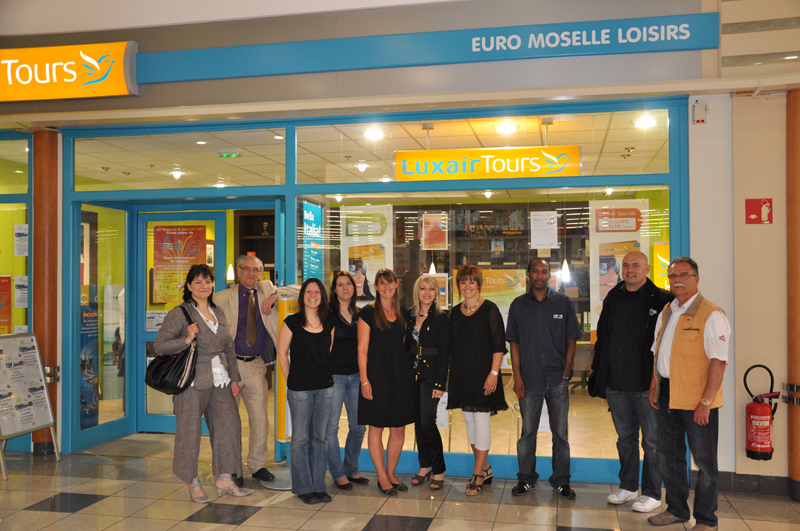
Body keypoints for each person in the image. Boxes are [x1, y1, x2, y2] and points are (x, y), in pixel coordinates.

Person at [154, 264, 253, 503]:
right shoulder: (180, 313)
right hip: (192, 381)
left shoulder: (218, 311)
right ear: (189, 286)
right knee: (189, 431)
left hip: (221, 379)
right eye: (198, 282)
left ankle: (226, 477)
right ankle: (192, 480)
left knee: (229, 426)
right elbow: (160, 346)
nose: (204, 286)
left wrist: (234, 377)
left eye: (207, 281)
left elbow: (229, 347)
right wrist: (186, 339)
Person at [647, 257, 730, 531]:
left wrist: (706, 401)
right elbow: (658, 352)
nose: (678, 280)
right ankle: (676, 510)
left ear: (696, 279)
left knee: (704, 462)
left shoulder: (711, 313)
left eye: (684, 275)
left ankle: (706, 520)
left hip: (698, 398)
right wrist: (654, 383)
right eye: (673, 276)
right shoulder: (667, 311)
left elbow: (719, 362)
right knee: (668, 456)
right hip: (668, 395)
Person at [591, 251, 674, 512]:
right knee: (625, 438)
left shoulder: (662, 299)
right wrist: (599, 371)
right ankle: (628, 487)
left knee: (652, 442)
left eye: (635, 265)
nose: (630, 270)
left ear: (647, 269)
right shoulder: (613, 296)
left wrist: (659, 380)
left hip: (647, 385)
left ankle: (652, 493)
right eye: (626, 265)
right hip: (617, 384)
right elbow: (603, 336)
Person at [215, 254, 299, 486]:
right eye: (246, 269)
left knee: (260, 421)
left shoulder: (266, 289)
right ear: (239, 271)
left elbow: (302, 289)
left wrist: (275, 295)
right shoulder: (222, 298)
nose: (251, 273)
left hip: (255, 365)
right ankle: (231, 468)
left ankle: (257, 465)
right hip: (228, 365)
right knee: (228, 422)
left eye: (256, 270)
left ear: (261, 273)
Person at [507, 258, 582, 500]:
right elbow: (514, 344)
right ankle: (526, 479)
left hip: (557, 379)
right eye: (535, 271)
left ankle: (561, 481)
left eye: (544, 271)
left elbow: (572, 339)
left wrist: (566, 371)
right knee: (527, 433)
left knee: (560, 434)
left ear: (550, 275)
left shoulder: (563, 303)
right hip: (529, 380)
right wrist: (517, 377)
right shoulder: (518, 305)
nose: (540, 275)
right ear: (528, 274)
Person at [448, 265, 507, 496]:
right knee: (469, 422)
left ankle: (477, 474)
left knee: (481, 421)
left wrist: (494, 373)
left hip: (484, 375)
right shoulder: (454, 312)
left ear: (479, 284)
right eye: (463, 282)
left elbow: (498, 345)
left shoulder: (490, 309)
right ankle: (485, 468)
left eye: (471, 281)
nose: (467, 286)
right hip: (462, 375)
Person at [276, 277, 335, 505]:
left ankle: (318, 485)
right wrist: (291, 379)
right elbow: (282, 354)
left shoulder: (329, 322)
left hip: (325, 388)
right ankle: (303, 488)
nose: (313, 296)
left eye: (317, 292)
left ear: (322, 296)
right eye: (308, 292)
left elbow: (327, 353)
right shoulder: (291, 322)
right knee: (300, 439)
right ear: (302, 296)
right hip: (300, 389)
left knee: (320, 438)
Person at [357, 268, 414, 496]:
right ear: (376, 287)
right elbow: (362, 349)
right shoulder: (367, 313)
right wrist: (364, 381)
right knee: (377, 426)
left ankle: (391, 473)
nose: (386, 287)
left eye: (390, 282)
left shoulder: (403, 313)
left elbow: (403, 344)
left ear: (396, 284)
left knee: (398, 428)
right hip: (376, 376)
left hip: (400, 376)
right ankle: (381, 476)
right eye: (381, 283)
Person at [406, 275, 450, 491]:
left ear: (437, 293)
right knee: (417, 422)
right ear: (417, 292)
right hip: (411, 376)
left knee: (427, 422)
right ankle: (425, 465)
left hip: (431, 377)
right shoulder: (408, 316)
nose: (427, 293)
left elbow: (444, 354)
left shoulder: (442, 318)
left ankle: (439, 469)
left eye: (431, 289)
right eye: (423, 288)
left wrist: (440, 384)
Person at [326, 271, 369, 491]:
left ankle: (351, 468)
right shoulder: (327, 313)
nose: (345, 288)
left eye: (348, 284)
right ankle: (338, 473)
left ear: (354, 288)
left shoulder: (360, 314)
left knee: (359, 427)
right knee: (331, 428)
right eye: (340, 284)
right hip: (334, 377)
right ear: (334, 290)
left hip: (356, 377)